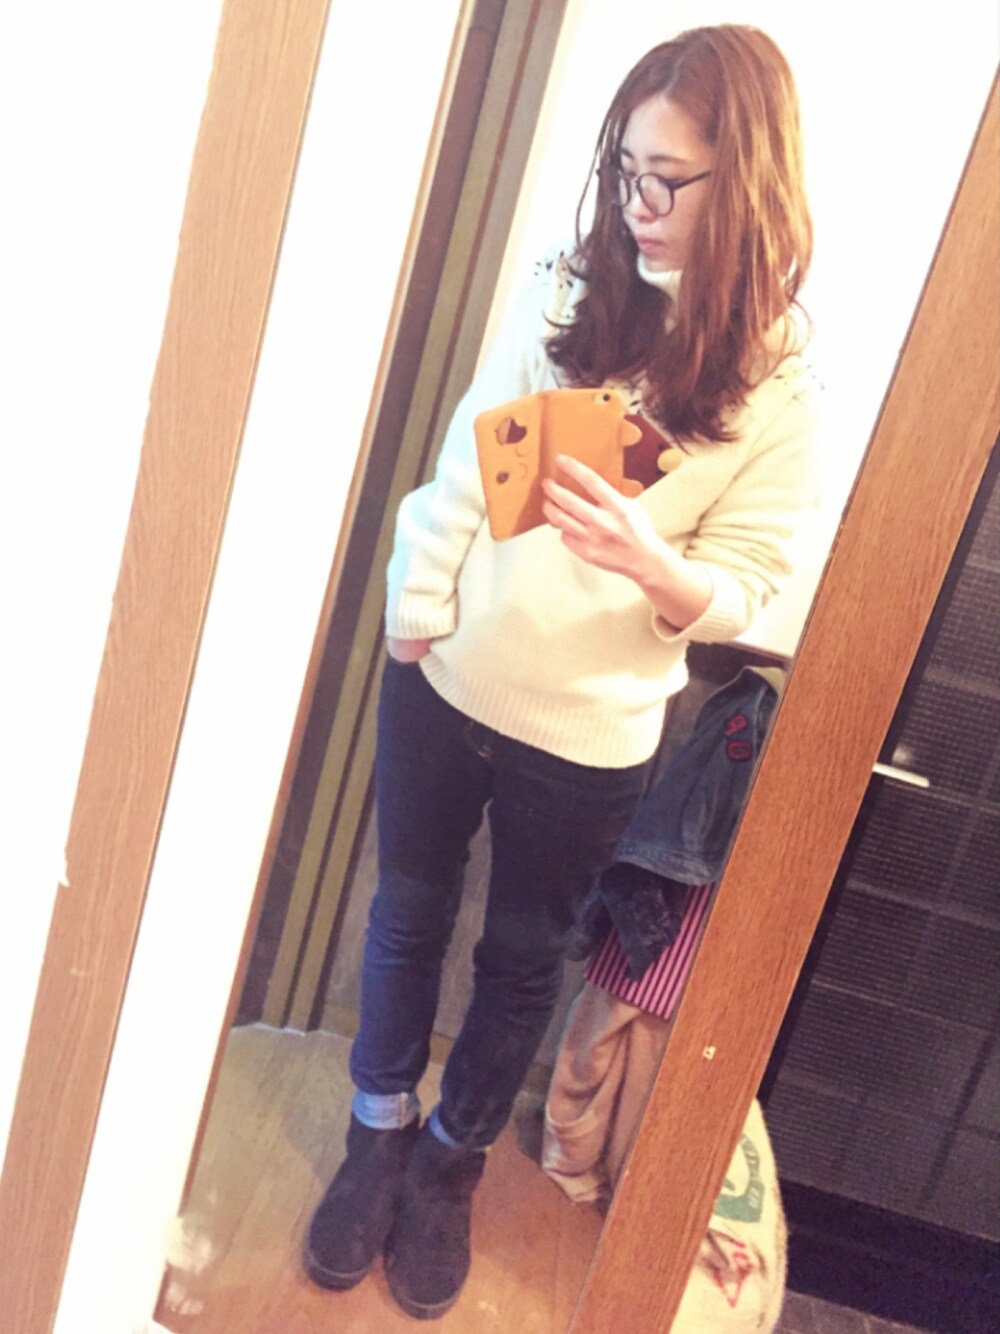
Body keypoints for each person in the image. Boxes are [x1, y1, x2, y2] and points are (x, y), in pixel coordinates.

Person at [304, 22, 820, 1322]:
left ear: (747, 180)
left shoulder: (779, 384)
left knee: (523, 957)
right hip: (447, 679)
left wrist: (654, 565)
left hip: (592, 734)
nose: (637, 205)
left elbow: (749, 584)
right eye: (624, 170)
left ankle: (448, 1165)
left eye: (669, 179)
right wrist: (416, 608)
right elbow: (465, 463)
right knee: (405, 912)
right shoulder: (570, 284)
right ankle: (376, 1131)